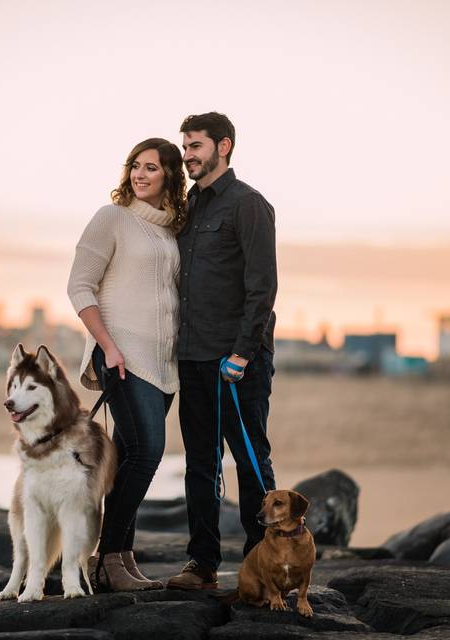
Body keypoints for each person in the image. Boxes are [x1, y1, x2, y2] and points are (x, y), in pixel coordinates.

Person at [67, 138, 187, 592]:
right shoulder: (111, 217)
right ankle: (105, 558)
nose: (139, 174)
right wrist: (107, 345)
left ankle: (122, 560)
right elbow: (80, 286)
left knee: (126, 458)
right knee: (147, 452)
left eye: (151, 168)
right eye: (135, 166)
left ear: (170, 176)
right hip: (121, 354)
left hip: (163, 364)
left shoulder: (172, 229)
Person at [166, 112, 278, 590]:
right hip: (191, 357)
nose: (187, 155)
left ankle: (263, 565)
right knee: (200, 464)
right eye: (185, 146)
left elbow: (262, 286)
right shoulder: (186, 209)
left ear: (223, 146)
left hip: (236, 361)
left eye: (196, 146)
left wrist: (243, 353)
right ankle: (203, 563)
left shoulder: (248, 205)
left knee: (252, 463)